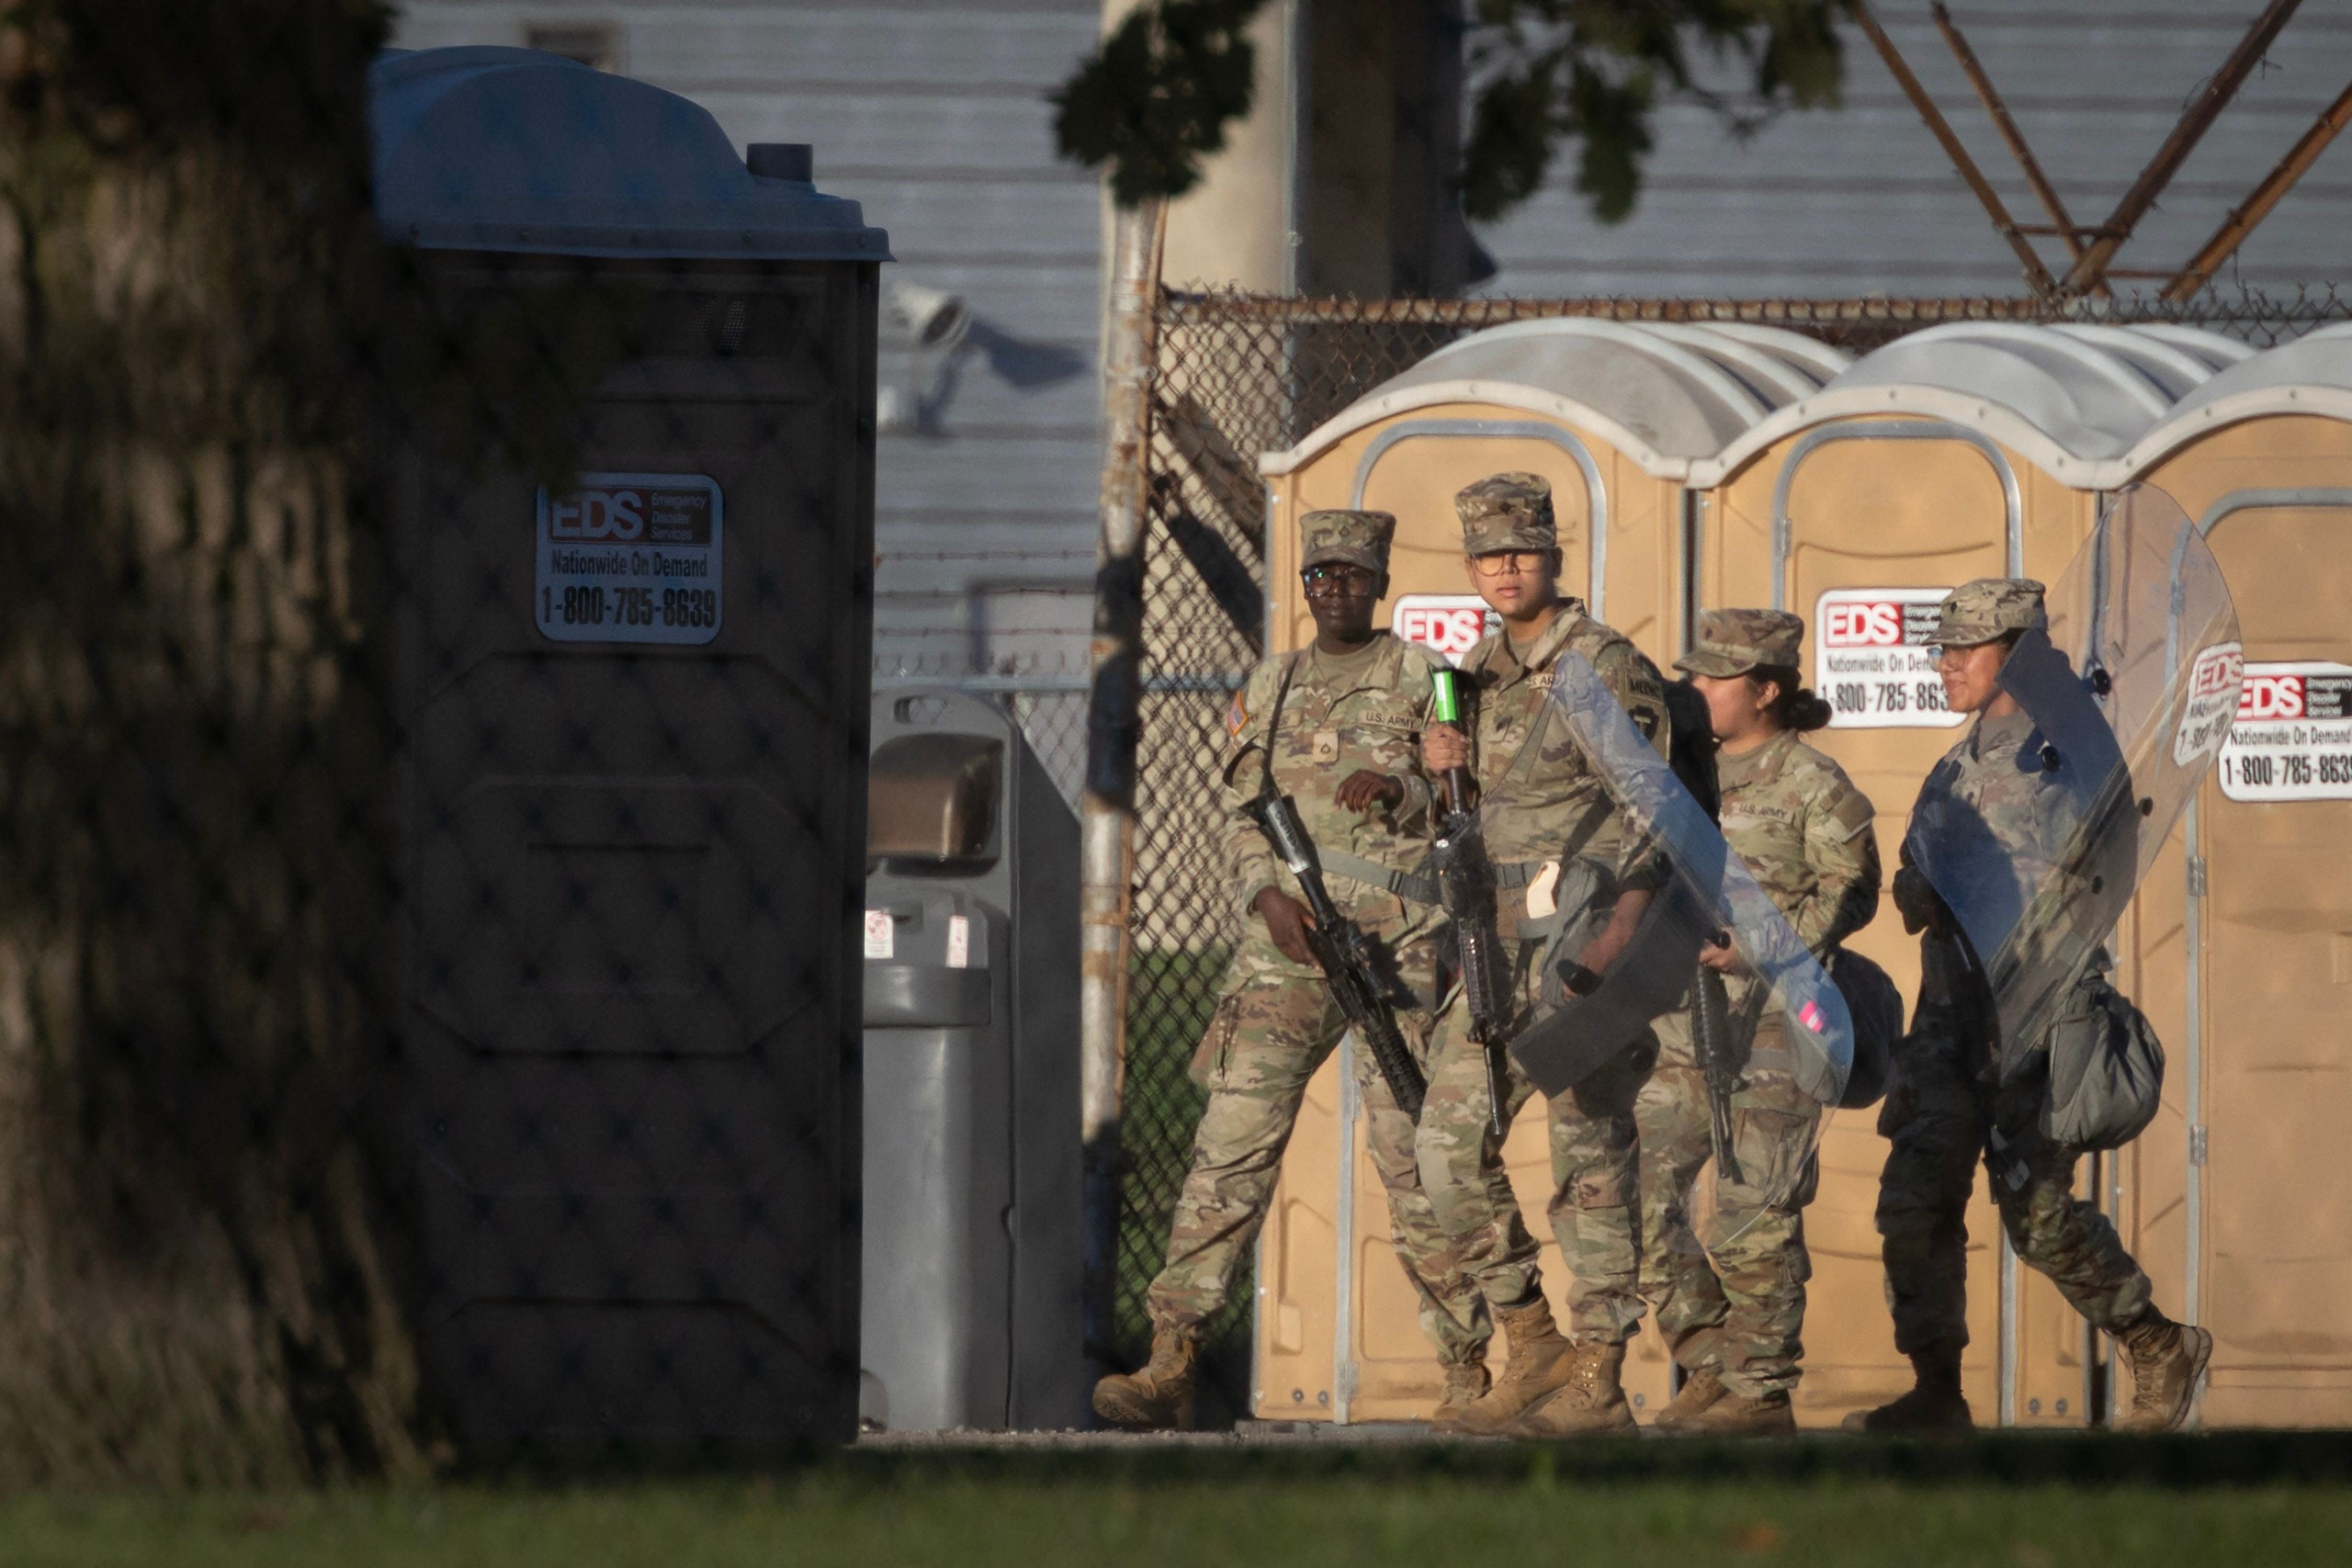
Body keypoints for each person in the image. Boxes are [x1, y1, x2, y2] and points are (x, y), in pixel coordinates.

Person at [1092, 508, 1498, 1432]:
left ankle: (1468, 1366)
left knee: (1412, 1157)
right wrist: (1263, 901)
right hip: (1287, 947)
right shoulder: (1270, 686)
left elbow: (1462, 788)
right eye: (1321, 575)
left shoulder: (1427, 678)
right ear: (1305, 585)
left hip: (1394, 945)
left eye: (1353, 575)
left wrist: (1400, 787)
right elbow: (1241, 811)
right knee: (1230, 1147)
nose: (1336, 589)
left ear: (1379, 583)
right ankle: (1172, 1355)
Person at [1849, 578, 2211, 1433]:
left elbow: (2108, 852)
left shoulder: (2067, 752)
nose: (1943, 665)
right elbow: (1915, 872)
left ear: (2012, 653)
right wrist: (1921, 887)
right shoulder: (1957, 759)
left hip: (2033, 1020)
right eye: (1940, 649)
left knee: (2039, 1221)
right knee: (1914, 1201)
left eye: (1960, 649)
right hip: (1948, 1020)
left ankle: (2157, 1342)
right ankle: (1938, 1389)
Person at [1416, 473, 1671, 1438]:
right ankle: (1532, 1342)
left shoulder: (1598, 664)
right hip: (1490, 937)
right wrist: (1435, 767)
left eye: (1520, 550)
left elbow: (1653, 808)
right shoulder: (1472, 673)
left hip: (1578, 936)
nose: (1504, 568)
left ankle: (1599, 1376)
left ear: (1553, 556)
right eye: (1486, 554)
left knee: (1590, 1154)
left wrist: (1615, 936)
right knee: (1444, 1147)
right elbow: (1458, 816)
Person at [1634, 609, 1880, 1436]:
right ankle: (1710, 1362)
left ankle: (1761, 1389)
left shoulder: (1813, 781)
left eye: (1713, 678)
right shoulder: (1678, 776)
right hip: (1681, 1020)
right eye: (1691, 675)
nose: (1694, 691)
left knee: (1751, 1204)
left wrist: (1760, 947)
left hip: (1779, 1019)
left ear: (1766, 690)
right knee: (1629, 1190)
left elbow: (1852, 889)